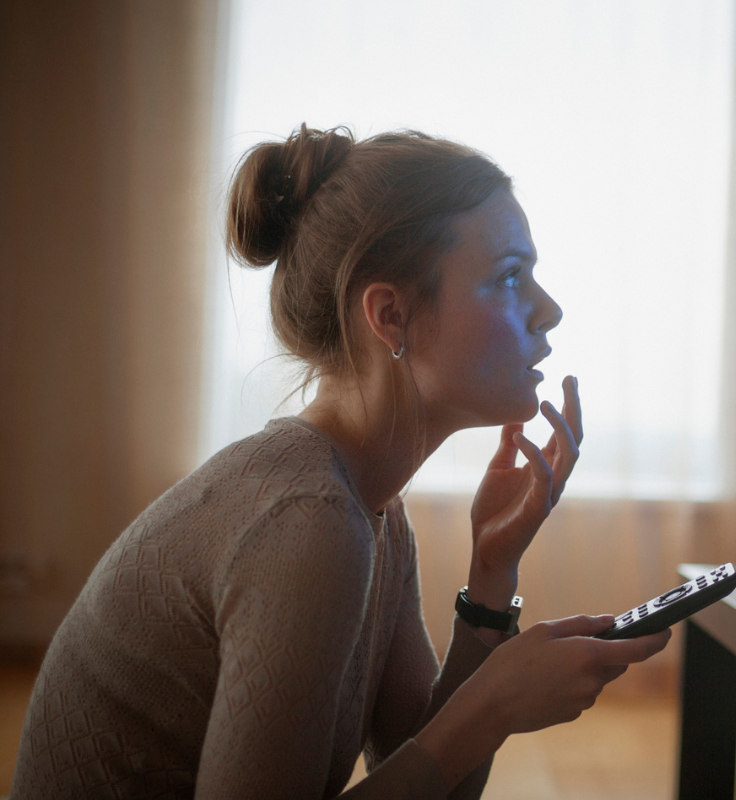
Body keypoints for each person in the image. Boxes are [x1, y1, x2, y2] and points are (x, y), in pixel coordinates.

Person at [11, 124, 671, 799]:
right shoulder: (308, 522)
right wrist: (493, 706)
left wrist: (491, 578)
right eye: (509, 278)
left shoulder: (371, 512)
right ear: (391, 317)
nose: (549, 311)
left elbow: (430, 780)